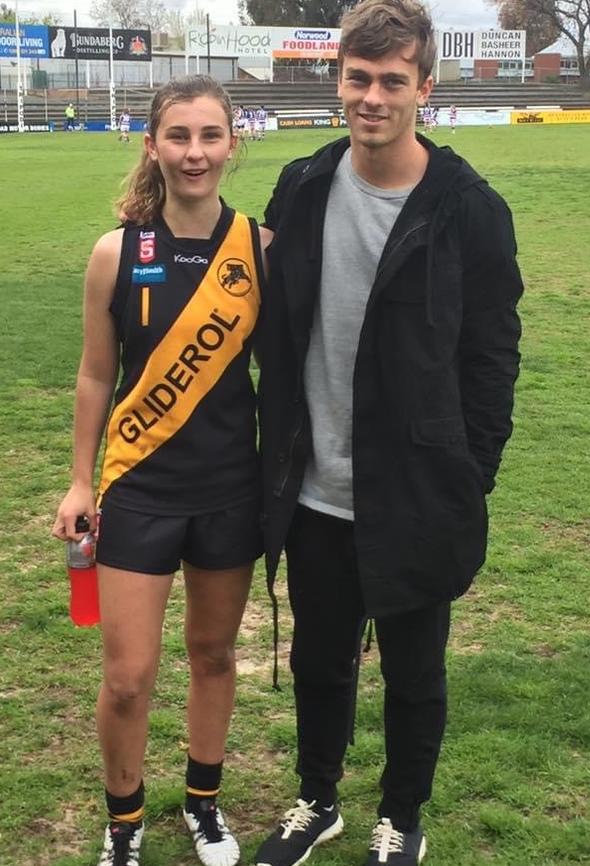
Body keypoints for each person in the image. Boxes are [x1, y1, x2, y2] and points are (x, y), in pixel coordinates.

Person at [255, 1, 523, 864]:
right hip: (315, 487)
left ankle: (401, 813)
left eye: (392, 81)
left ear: (425, 88)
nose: (372, 98)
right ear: (339, 80)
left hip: (417, 490)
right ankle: (317, 798)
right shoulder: (300, 185)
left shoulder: (469, 208)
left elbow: (492, 355)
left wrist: (468, 472)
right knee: (318, 663)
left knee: (414, 674)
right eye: (358, 79)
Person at [52, 74, 270, 866]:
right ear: (153, 146)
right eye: (179, 137)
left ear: (231, 145)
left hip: (227, 492)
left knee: (213, 655)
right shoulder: (116, 252)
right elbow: (93, 375)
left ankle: (204, 805)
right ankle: (125, 825)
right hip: (138, 490)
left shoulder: (260, 249)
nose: (195, 153)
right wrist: (82, 481)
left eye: (210, 136)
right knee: (129, 678)